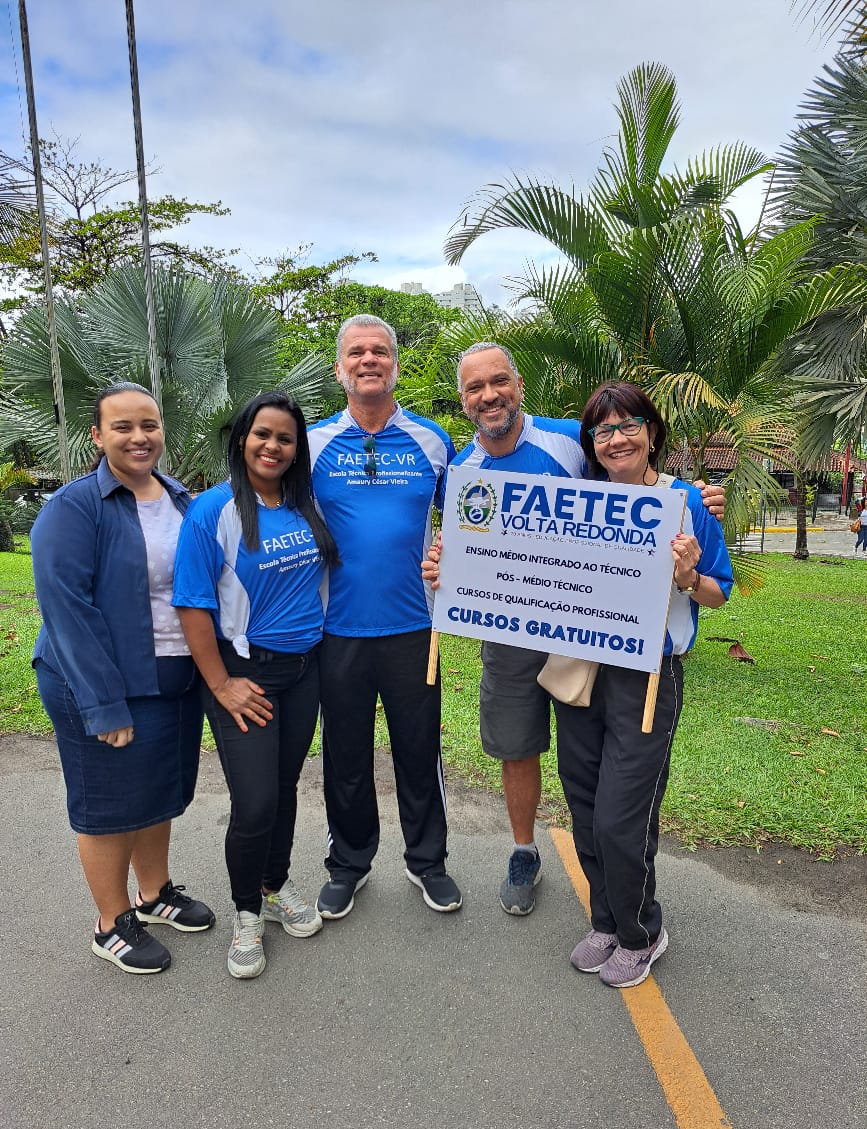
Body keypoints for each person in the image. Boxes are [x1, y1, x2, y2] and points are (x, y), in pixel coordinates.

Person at [446, 343, 726, 917]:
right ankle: (527, 853)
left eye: (499, 381)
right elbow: (462, 545)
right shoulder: (460, 469)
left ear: (518, 385)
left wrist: (695, 502)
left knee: (617, 793)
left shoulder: (570, 440)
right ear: (463, 400)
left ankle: (632, 919)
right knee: (525, 747)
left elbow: (638, 481)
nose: (489, 395)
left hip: (599, 637)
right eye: (475, 388)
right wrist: (443, 568)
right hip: (515, 624)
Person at [31, 382, 215, 976]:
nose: (139, 437)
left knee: (156, 790)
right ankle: (110, 923)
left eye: (150, 425)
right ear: (98, 435)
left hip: (171, 673)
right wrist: (103, 704)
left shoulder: (181, 497)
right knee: (109, 804)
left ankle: (154, 893)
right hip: (99, 680)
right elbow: (67, 611)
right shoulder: (74, 506)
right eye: (123, 427)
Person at [557, 380, 732, 987]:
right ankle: (606, 921)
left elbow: (718, 590)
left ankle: (641, 932)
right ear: (592, 444)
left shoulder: (686, 504)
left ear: (652, 432)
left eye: (629, 424)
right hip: (581, 672)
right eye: (603, 430)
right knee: (583, 804)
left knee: (621, 817)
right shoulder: (576, 502)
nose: (616, 438)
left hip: (649, 678)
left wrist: (687, 576)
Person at [173, 392, 338, 979]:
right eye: (262, 435)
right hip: (246, 674)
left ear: (298, 451)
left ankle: (273, 886)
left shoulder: (303, 507)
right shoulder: (211, 511)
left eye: (286, 439)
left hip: (304, 670)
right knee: (256, 799)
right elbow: (192, 606)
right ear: (241, 438)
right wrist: (221, 685)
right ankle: (246, 912)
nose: (273, 446)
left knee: (286, 786)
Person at [307, 314, 462, 918]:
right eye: (356, 352)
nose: (368, 359)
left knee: (419, 751)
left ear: (395, 364)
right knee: (345, 756)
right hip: (335, 629)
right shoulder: (314, 444)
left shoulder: (432, 441)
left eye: (379, 351)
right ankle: (348, 863)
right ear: (340, 367)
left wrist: (457, 558)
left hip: (413, 631)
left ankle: (428, 862)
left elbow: (482, 520)